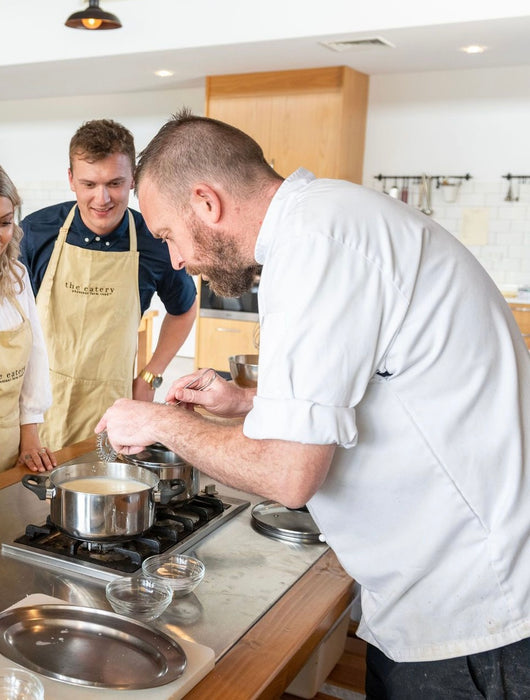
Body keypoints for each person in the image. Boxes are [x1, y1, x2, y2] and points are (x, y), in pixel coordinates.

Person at [96, 110, 530, 698]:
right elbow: (380, 385)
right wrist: (248, 402)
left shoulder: (315, 245)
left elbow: (288, 474)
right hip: (455, 597)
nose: (175, 261)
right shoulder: (330, 220)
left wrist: (158, 420)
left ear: (206, 201)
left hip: (473, 615)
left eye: (169, 234)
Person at [20, 119, 197, 451]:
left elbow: (185, 310)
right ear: (71, 180)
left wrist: (149, 377)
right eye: (89, 184)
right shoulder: (36, 231)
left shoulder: (156, 240)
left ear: (133, 180)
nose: (101, 199)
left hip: (111, 409)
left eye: (114, 183)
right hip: (36, 407)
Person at [0, 166, 56, 473]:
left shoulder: (17, 277)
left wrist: (30, 434)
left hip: (7, 447)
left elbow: (35, 355)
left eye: (5, 223)